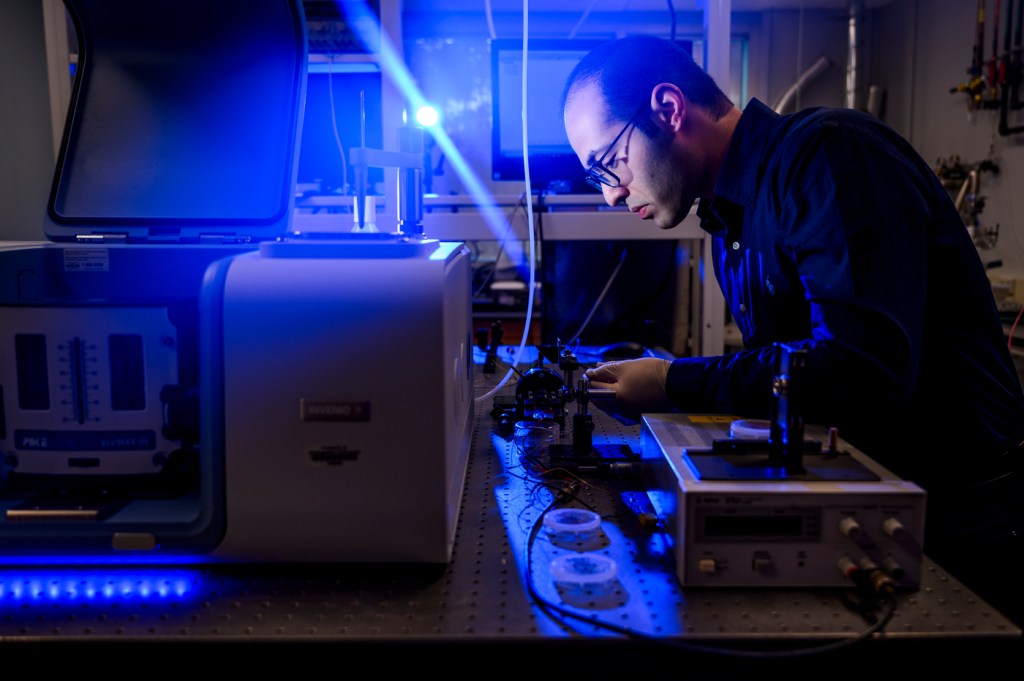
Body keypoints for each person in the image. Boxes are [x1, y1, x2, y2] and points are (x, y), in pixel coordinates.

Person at [562, 34, 1024, 627]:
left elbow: (862, 370)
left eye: (610, 161)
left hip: (964, 520)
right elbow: (790, 383)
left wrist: (672, 379)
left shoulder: (830, 154)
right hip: (872, 496)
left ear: (669, 109)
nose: (610, 193)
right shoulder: (731, 221)